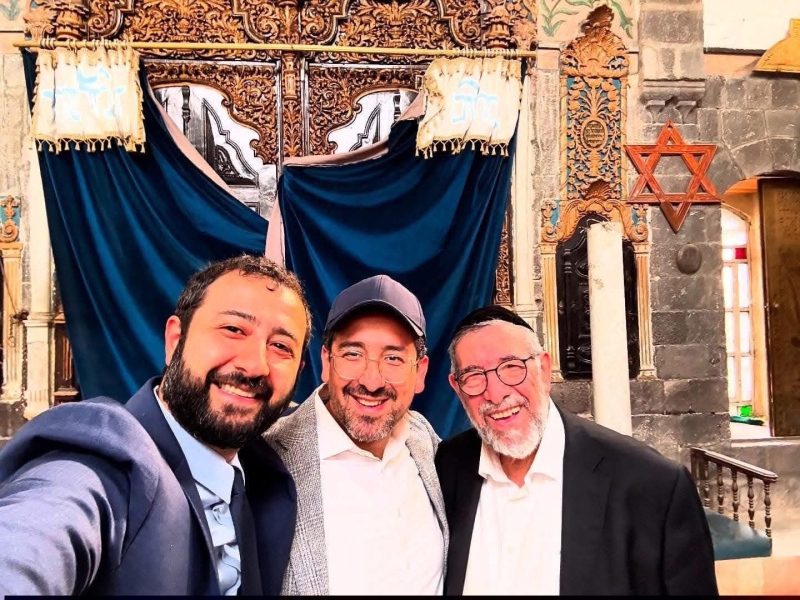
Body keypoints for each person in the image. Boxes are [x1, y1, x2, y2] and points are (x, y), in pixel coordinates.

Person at [0, 255, 312, 596]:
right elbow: (31, 539)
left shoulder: (268, 474)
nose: (255, 365)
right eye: (233, 330)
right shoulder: (104, 459)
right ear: (176, 339)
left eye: (281, 346)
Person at [436, 305, 719, 596]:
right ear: (457, 388)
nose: (496, 394)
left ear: (544, 370)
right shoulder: (446, 469)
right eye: (473, 376)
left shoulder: (653, 487)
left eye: (511, 367)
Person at [265, 274, 447, 595]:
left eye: (393, 358)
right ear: (326, 361)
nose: (372, 381)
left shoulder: (424, 440)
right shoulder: (266, 460)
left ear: (419, 372)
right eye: (352, 354)